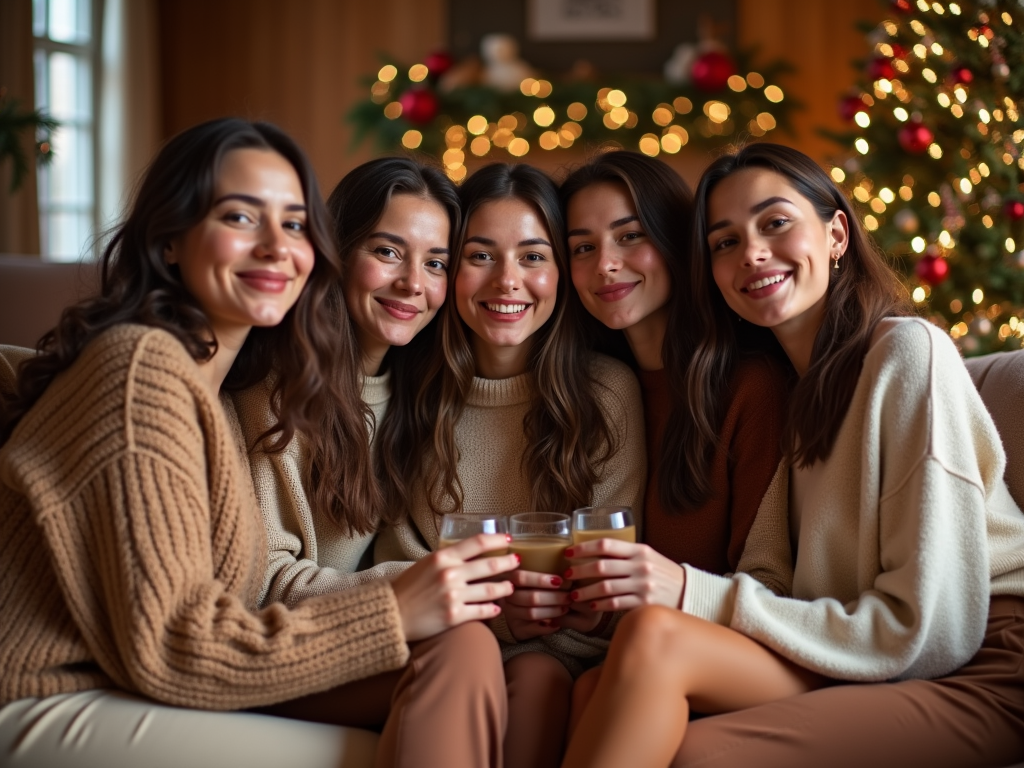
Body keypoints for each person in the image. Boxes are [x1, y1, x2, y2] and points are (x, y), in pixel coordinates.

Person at [0, 118, 518, 768]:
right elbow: (171, 647)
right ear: (169, 241)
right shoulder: (144, 371)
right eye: (242, 218)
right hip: (51, 694)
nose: (277, 247)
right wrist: (392, 607)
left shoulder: (203, 385)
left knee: (463, 649)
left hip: (131, 680)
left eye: (295, 224)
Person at [561, 143, 1024, 768]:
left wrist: (687, 591)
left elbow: (935, 631)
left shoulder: (908, 355)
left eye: (775, 223)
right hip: (861, 649)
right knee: (598, 686)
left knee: (689, 727)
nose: (751, 253)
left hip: (984, 667)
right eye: (724, 242)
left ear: (836, 235)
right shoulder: (793, 388)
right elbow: (773, 578)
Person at [374, 162, 646, 768]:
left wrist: (578, 610)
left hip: (561, 658)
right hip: (441, 645)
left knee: (545, 681)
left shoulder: (607, 394)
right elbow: (395, 559)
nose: (507, 281)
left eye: (532, 256)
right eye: (480, 256)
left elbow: (612, 582)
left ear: (560, 273)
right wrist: (499, 617)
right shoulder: (411, 389)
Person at [557, 151, 789, 619]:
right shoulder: (584, 392)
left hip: (709, 651)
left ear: (676, 241)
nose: (605, 264)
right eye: (583, 248)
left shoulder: (749, 387)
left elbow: (773, 589)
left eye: (630, 236)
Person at [231, 157, 459, 607]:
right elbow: (261, 586)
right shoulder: (274, 387)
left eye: (435, 263)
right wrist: (423, 583)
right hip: (294, 645)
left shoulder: (415, 389)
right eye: (388, 252)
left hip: (373, 630)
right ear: (337, 253)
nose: (413, 282)